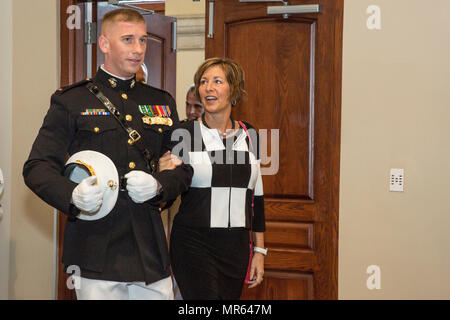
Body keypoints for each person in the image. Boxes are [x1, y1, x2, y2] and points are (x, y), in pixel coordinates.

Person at [23, 8, 192, 300]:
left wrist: (160, 185)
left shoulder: (161, 101)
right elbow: (37, 166)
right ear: (104, 44)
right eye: (128, 39)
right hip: (95, 251)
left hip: (149, 250)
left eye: (142, 41)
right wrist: (72, 195)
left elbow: (184, 166)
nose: (138, 49)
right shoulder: (72, 100)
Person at [169, 57, 267, 300]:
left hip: (235, 248)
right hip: (194, 244)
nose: (208, 87)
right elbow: (166, 192)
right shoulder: (185, 134)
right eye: (203, 82)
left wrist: (260, 251)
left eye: (217, 81)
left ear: (233, 90)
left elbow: (256, 196)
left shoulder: (250, 134)